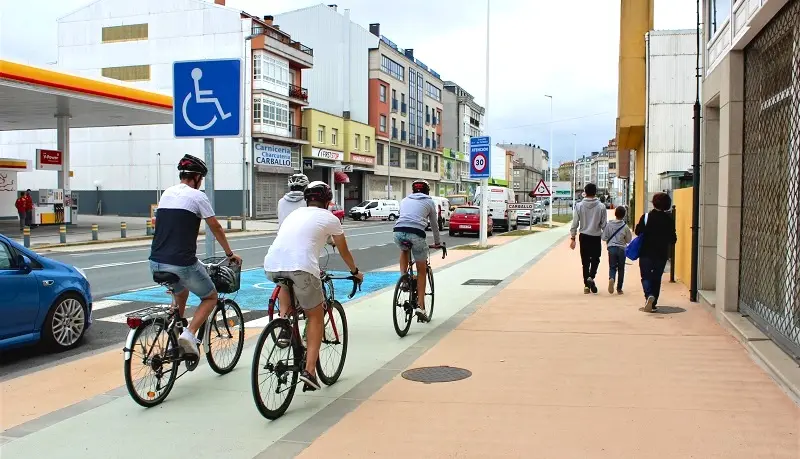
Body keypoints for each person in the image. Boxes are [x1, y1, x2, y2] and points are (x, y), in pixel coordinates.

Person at [264, 181, 363, 391]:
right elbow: (344, 251)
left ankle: (284, 323)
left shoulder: (295, 214)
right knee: (315, 316)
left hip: (272, 264)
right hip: (302, 267)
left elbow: (300, 236)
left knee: (285, 283)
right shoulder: (330, 218)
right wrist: (355, 272)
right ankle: (309, 371)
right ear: (327, 201)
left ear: (307, 199)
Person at [148, 154, 242, 359]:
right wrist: (229, 253)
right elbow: (215, 227)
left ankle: (174, 334)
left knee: (180, 293)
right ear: (197, 178)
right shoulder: (198, 197)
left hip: (155, 262)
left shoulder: (167, 193)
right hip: (181, 263)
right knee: (210, 297)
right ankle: (188, 335)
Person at [393, 179, 442, 322]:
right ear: (427, 191)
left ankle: (404, 279)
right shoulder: (429, 202)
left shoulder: (404, 200)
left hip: (398, 232)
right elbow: (434, 225)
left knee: (404, 250)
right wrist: (437, 242)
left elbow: (404, 217)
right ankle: (421, 306)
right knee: (421, 271)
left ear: (413, 191)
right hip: (416, 233)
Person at [635, 192, 677, 312]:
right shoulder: (669, 219)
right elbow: (673, 239)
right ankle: (653, 303)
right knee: (657, 277)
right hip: (661, 253)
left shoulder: (646, 217)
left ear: (654, 203)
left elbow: (638, 231)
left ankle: (649, 296)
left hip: (646, 252)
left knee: (646, 277)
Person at [569, 183, 607, 294]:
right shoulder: (601, 206)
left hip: (584, 237)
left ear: (585, 192)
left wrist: (573, 237)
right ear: (595, 192)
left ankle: (586, 285)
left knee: (585, 261)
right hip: (596, 236)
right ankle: (591, 276)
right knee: (596, 259)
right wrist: (607, 237)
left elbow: (575, 223)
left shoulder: (579, 206)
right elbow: (604, 225)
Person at [602, 205, 633, 295]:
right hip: (621, 249)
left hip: (611, 248)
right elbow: (629, 240)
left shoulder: (609, 225)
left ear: (615, 214)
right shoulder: (625, 227)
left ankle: (612, 278)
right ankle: (619, 288)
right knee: (621, 269)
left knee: (612, 267)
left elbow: (604, 237)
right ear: (624, 215)